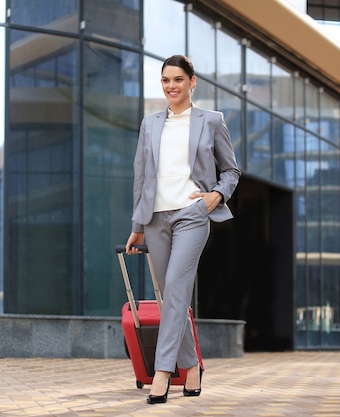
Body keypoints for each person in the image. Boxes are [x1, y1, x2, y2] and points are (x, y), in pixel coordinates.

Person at [125, 55, 240, 404]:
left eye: (177, 79)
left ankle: (163, 372)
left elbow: (231, 171)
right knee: (170, 297)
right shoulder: (150, 124)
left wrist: (214, 197)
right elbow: (141, 176)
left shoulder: (211, 121)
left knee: (175, 288)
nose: (171, 86)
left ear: (193, 82)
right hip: (156, 217)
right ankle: (191, 367)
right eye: (165, 80)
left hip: (193, 214)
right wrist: (138, 225)